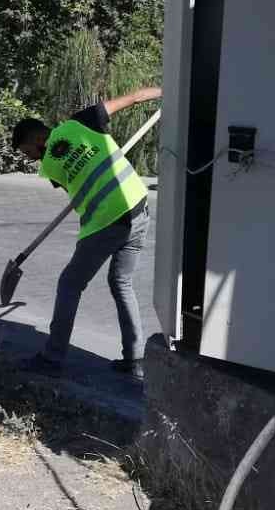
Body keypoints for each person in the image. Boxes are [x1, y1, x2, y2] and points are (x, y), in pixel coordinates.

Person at [10, 86, 162, 379]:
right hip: (138, 208)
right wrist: (168, 90)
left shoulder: (49, 167)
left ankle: (52, 358)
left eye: (30, 152)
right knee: (121, 283)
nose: (33, 160)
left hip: (107, 223)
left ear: (39, 138)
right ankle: (135, 358)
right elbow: (133, 98)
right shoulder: (82, 122)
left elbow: (75, 191)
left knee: (70, 285)